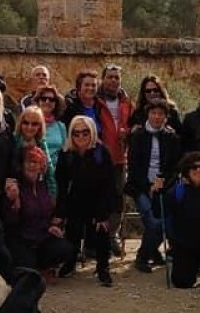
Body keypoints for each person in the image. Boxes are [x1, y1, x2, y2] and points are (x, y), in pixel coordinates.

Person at [63, 66, 130, 255]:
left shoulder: (105, 104)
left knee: (110, 198)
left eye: (93, 85)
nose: (90, 88)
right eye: (87, 85)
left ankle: (104, 239)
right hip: (81, 159)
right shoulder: (72, 105)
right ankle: (79, 246)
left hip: (109, 158)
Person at [53, 115, 116, 287]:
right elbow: (62, 185)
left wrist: (103, 213)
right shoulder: (66, 155)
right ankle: (70, 263)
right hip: (75, 200)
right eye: (76, 133)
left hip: (98, 200)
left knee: (101, 232)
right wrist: (60, 212)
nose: (81, 136)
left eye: (85, 132)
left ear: (92, 132)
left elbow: (109, 185)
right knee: (72, 232)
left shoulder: (101, 153)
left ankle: (103, 267)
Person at [125, 97, 182, 272]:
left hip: (163, 186)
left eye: (161, 114)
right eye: (154, 113)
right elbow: (133, 166)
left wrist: (163, 182)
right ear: (148, 115)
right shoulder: (137, 136)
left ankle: (149, 253)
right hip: (140, 186)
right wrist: (147, 185)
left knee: (165, 220)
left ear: (166, 117)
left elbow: (174, 166)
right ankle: (144, 256)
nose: (157, 117)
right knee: (153, 221)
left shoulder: (171, 137)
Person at [3, 146, 73, 275]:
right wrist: (12, 202)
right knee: (29, 269)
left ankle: (43, 267)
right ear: (22, 165)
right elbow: (10, 221)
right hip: (21, 239)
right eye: (28, 162)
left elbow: (46, 213)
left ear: (42, 166)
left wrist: (51, 226)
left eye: (36, 162)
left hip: (41, 236)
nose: (32, 166)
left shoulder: (43, 186)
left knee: (65, 249)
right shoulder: (15, 187)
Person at [159, 151, 200, 288]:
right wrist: (157, 193)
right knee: (182, 282)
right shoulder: (178, 191)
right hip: (184, 245)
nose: (198, 170)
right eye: (193, 167)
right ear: (186, 170)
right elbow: (159, 211)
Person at [12, 105, 57, 196]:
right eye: (26, 123)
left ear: (40, 126)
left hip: (37, 189)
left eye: (34, 124)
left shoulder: (41, 142)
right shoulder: (13, 141)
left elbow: (49, 169)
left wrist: (53, 193)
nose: (29, 127)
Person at [35, 85, 68, 169]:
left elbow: (65, 152)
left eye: (52, 99)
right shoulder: (30, 123)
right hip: (36, 171)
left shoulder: (61, 127)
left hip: (57, 172)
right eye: (43, 98)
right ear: (38, 101)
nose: (47, 101)